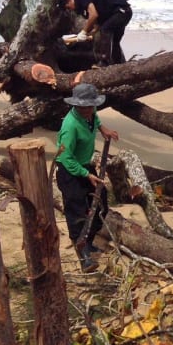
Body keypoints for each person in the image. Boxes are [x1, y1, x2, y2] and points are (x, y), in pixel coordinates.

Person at [55, 83, 119, 272]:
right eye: (82, 107)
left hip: (85, 165)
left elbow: (95, 118)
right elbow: (66, 157)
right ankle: (82, 253)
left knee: (101, 203)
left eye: (90, 106)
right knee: (77, 212)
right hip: (69, 171)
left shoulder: (90, 113)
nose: (87, 110)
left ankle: (88, 240)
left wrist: (103, 128)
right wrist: (86, 174)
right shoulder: (70, 126)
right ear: (75, 105)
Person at [56, 0, 133, 70]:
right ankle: (119, 66)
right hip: (123, 13)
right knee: (114, 42)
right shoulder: (84, 8)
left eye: (68, 7)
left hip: (121, 11)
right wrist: (87, 35)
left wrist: (83, 32)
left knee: (105, 30)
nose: (70, 10)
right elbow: (96, 26)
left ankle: (104, 62)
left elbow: (93, 15)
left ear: (69, 0)